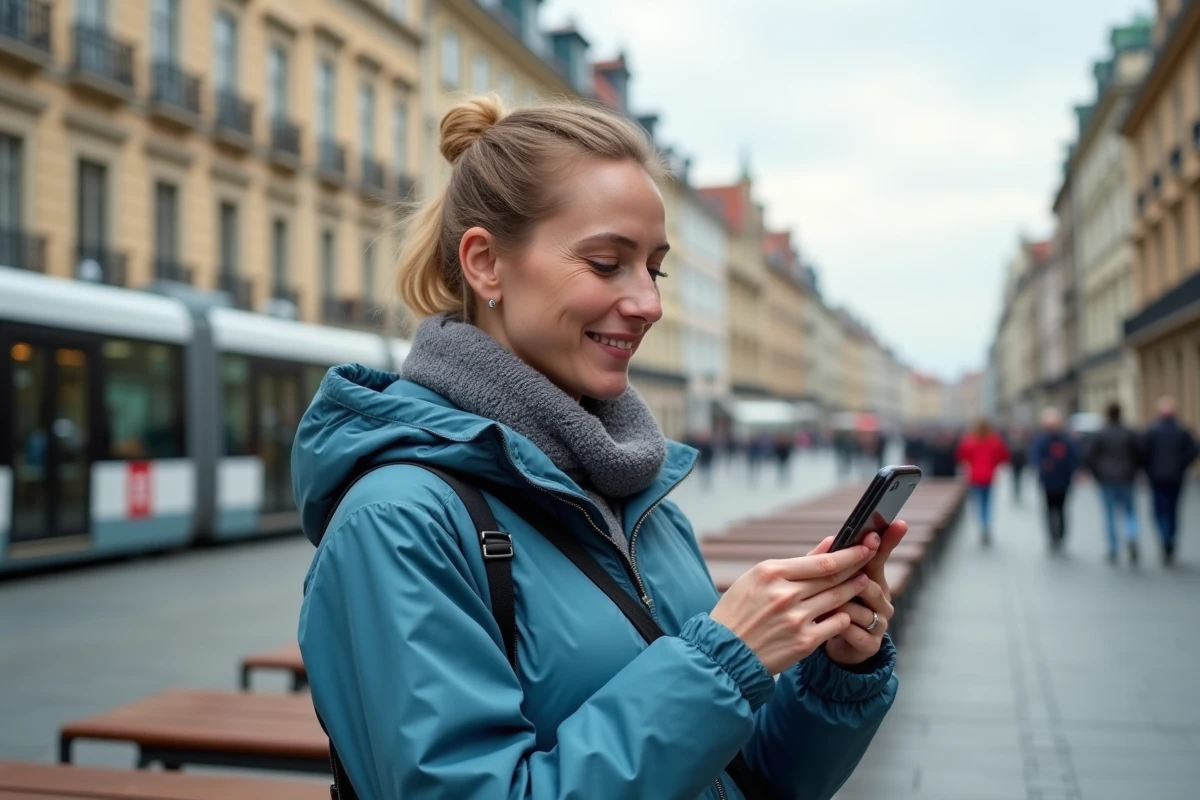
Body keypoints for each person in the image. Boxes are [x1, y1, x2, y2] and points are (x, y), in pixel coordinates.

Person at [294, 96, 901, 800]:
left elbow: (743, 778)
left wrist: (836, 670)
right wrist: (721, 663)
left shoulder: (632, 489)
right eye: (608, 263)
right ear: (486, 264)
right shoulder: (399, 521)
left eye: (655, 269)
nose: (648, 303)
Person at [1082, 402, 1143, 564]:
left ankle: (1113, 549)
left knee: (1109, 515)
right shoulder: (1129, 433)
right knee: (1130, 512)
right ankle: (1131, 537)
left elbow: (1089, 457)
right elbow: (1140, 454)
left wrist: (1097, 473)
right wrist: (1134, 471)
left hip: (1106, 479)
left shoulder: (1100, 434)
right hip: (1126, 478)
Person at [1142, 396, 1199, 565]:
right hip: (1176, 476)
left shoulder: (1152, 431)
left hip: (1157, 476)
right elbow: (1194, 450)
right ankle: (1170, 538)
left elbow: (1143, 453)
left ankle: (1165, 537)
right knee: (1173, 509)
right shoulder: (1182, 430)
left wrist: (1148, 469)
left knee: (1159, 510)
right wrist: (1182, 465)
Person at [1030, 407, 1079, 552]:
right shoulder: (1050, 440)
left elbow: (1073, 459)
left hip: (1058, 481)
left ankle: (1058, 535)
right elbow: (1036, 458)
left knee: (1058, 509)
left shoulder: (1060, 440)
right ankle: (1055, 535)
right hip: (1051, 481)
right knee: (1054, 509)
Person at [955, 419, 1009, 544]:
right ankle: (986, 524)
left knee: (977, 502)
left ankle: (981, 524)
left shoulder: (970, 440)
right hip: (989, 476)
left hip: (974, 476)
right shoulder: (995, 440)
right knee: (987, 502)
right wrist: (994, 465)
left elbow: (961, 456)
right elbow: (1003, 456)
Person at [1006, 426, 1029, 503]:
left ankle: (1018, 493)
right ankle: (1016, 493)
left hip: (1020, 464)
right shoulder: (1011, 442)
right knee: (1015, 479)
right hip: (1014, 464)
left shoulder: (1023, 442)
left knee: (1019, 479)